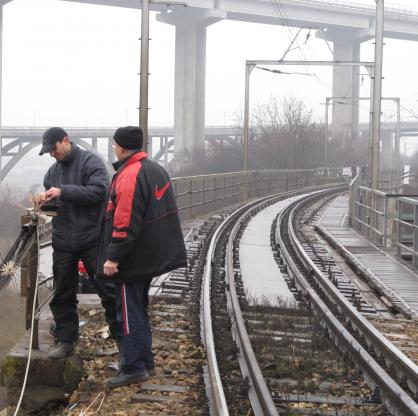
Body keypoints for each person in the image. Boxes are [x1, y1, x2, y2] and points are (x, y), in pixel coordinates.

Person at [96, 126, 187, 389]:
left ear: (122, 146)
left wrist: (113, 257)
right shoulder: (155, 169)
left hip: (133, 259)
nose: (113, 147)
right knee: (138, 308)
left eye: (115, 144)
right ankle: (145, 361)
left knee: (128, 311)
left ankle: (133, 367)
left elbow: (124, 221)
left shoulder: (129, 174)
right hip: (150, 253)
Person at [39, 127, 120, 359]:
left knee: (106, 286)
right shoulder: (51, 173)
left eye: (53, 149)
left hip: (91, 237)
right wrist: (43, 205)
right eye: (48, 152)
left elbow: (98, 192)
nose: (52, 154)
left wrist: (63, 192)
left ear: (65, 141)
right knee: (62, 290)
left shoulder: (90, 162)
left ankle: (122, 337)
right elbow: (55, 206)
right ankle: (66, 339)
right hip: (63, 239)